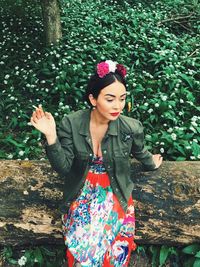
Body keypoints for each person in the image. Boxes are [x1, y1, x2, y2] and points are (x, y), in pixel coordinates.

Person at [30, 60, 163, 267]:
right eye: (110, 99)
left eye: (122, 98)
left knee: (116, 253)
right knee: (85, 254)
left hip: (116, 191)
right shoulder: (71, 123)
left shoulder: (131, 128)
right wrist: (51, 136)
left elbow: (140, 152)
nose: (117, 106)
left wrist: (151, 163)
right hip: (83, 191)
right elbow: (64, 168)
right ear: (93, 99)